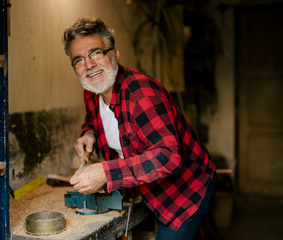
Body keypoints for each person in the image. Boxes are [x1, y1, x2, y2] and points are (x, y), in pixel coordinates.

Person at [63, 17, 216, 240]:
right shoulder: (93, 89)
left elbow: (168, 156)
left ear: (114, 54)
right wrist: (88, 133)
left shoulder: (142, 94)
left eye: (96, 53)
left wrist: (106, 172)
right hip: (148, 187)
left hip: (186, 190)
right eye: (79, 60)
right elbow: (93, 117)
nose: (89, 65)